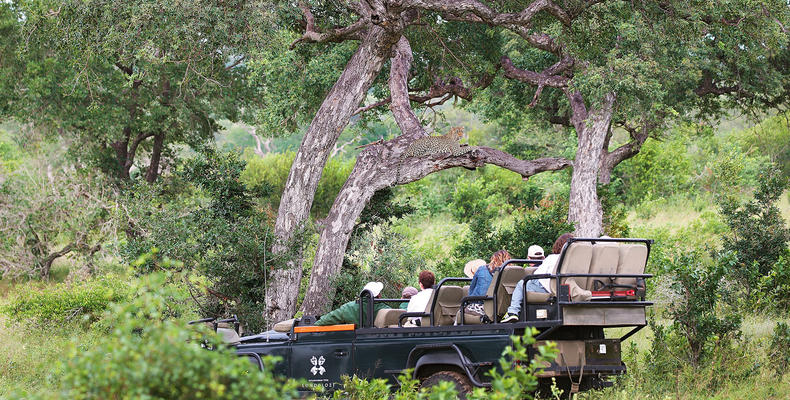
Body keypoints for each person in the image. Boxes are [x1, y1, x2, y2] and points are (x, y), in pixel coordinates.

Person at [502, 233, 573, 323]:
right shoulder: (574, 260)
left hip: (549, 289)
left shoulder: (552, 258)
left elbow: (537, 276)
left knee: (522, 284)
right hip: (567, 289)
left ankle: (513, 312)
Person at [314, 282, 390, 326]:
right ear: (379, 295)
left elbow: (326, 320)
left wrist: (316, 323)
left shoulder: (348, 307)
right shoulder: (385, 310)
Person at [464, 250, 512, 316]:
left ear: (493, 259)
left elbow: (472, 289)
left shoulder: (482, 269)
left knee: (460, 312)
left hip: (482, 306)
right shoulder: (510, 272)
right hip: (503, 308)